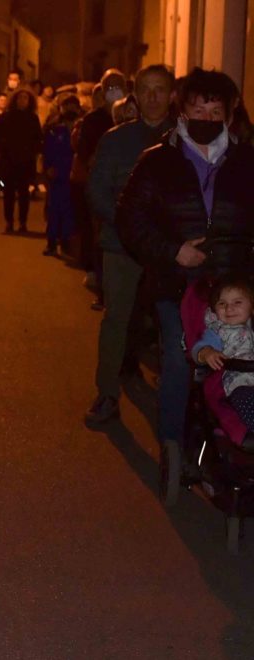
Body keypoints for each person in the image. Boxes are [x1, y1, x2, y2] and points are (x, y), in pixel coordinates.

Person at [116, 67, 254, 464]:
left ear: (229, 115)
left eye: (215, 112)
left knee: (243, 355)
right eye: (198, 110)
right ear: (183, 111)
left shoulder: (246, 162)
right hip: (176, 285)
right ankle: (173, 443)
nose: (207, 119)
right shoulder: (157, 162)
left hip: (234, 286)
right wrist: (174, 250)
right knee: (181, 358)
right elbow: (130, 220)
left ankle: (234, 430)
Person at [83, 64, 176, 426]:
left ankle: (177, 402)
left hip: (170, 250)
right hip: (122, 246)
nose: (152, 97)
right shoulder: (116, 140)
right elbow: (97, 190)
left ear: (171, 95)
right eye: (146, 89)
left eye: (160, 89)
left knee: (173, 324)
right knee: (116, 320)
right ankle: (107, 393)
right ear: (135, 95)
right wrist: (129, 228)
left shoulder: (184, 138)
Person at [73, 70, 125, 297]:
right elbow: (84, 151)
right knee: (99, 232)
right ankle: (98, 277)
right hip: (101, 183)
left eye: (118, 85)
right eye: (109, 86)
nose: (114, 91)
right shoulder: (93, 120)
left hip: (124, 186)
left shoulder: (130, 116)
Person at [192, 276, 254, 450]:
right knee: (245, 400)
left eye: (237, 302)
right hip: (239, 383)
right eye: (222, 303)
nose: (229, 308)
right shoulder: (219, 331)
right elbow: (199, 348)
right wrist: (207, 352)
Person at [0, 89, 42, 232]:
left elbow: (37, 138)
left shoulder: (32, 118)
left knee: (24, 193)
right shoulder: (6, 117)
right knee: (8, 193)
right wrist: (2, 151)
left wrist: (32, 153)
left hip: (25, 161)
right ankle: (9, 221)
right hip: (8, 160)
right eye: (20, 98)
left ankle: (22, 222)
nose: (22, 101)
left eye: (25, 98)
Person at [41, 95, 81, 255]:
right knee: (54, 208)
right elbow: (47, 149)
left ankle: (66, 240)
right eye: (67, 106)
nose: (70, 109)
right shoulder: (54, 127)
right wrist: (48, 167)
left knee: (70, 209)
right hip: (57, 173)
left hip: (74, 173)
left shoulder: (82, 126)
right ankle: (51, 241)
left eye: (72, 106)